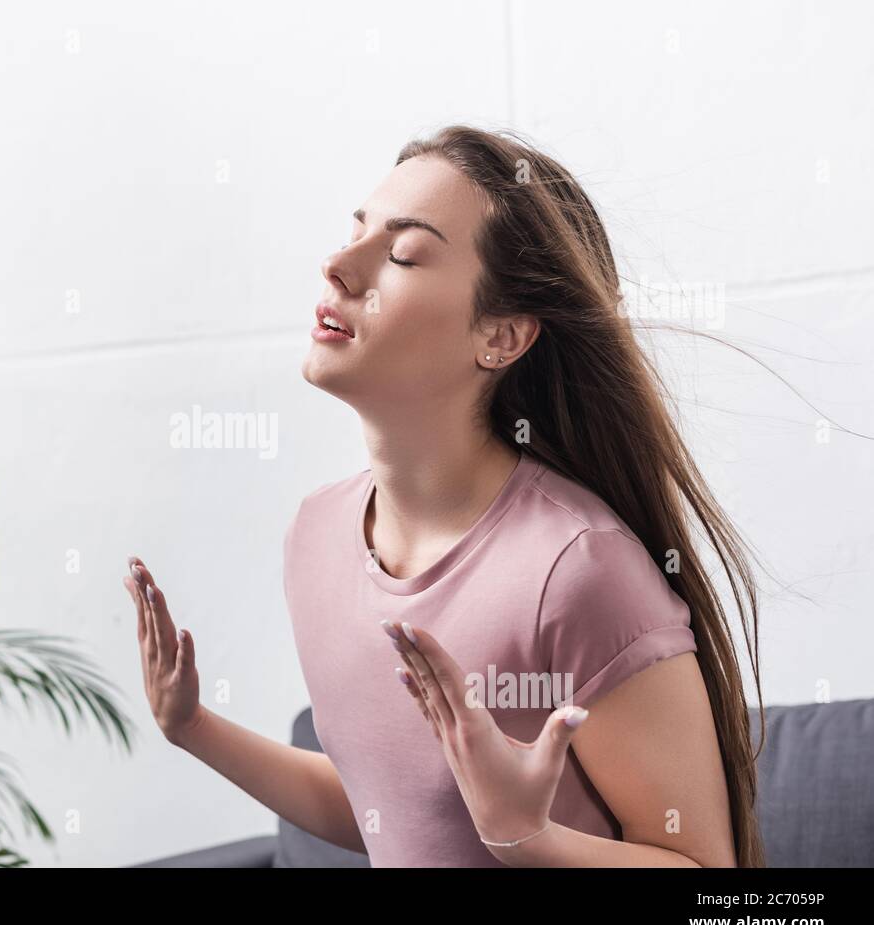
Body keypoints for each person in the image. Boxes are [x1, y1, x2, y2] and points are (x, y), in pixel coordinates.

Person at [122, 126, 764, 867]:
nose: (337, 265)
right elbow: (384, 808)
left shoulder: (578, 570)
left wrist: (529, 839)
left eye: (401, 254)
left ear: (502, 335)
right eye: (353, 233)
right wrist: (193, 725)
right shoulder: (317, 537)